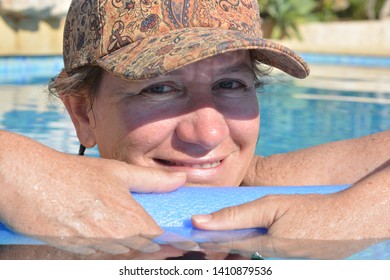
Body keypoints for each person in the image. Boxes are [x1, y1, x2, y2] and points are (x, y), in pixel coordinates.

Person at [0, 0, 389, 255]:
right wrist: (13, 164)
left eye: (230, 84)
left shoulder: (268, 186)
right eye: (160, 87)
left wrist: (356, 211)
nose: (209, 134)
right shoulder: (27, 215)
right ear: (83, 113)